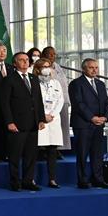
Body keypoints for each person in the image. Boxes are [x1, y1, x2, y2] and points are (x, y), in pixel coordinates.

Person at [0, 52, 45, 192]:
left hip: (33, 123)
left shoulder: (34, 78)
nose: (25, 62)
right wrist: (9, 122)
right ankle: (15, 182)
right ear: (15, 63)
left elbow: (38, 100)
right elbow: (4, 103)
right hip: (17, 124)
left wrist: (41, 119)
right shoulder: (9, 79)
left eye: (27, 60)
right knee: (14, 155)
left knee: (31, 156)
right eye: (21, 60)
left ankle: (28, 181)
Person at [68, 58, 108, 189]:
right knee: (82, 154)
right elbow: (78, 104)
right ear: (84, 69)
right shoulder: (76, 83)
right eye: (91, 67)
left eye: (96, 68)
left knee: (97, 154)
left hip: (99, 124)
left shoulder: (100, 84)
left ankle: (98, 179)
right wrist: (92, 117)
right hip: (83, 124)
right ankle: (82, 180)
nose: (94, 70)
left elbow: (106, 103)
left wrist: (104, 117)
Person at [34, 58, 67, 188]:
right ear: (37, 69)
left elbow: (60, 100)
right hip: (40, 120)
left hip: (53, 119)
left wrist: (52, 115)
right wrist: (43, 116)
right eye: (43, 66)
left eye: (48, 66)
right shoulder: (34, 82)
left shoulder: (56, 83)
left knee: (52, 151)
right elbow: (34, 102)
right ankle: (32, 179)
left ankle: (52, 179)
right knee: (35, 151)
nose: (47, 68)